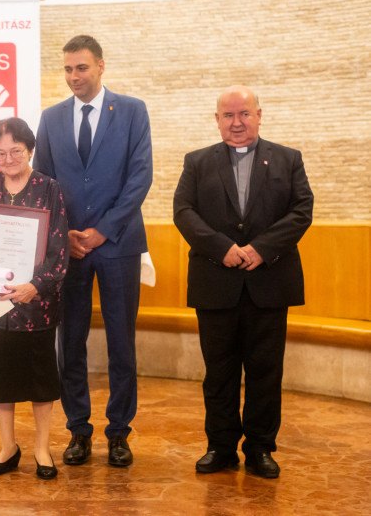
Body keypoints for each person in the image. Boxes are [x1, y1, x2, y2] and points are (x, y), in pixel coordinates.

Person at [173, 85, 313, 479]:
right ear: (217, 119)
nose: (237, 123)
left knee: (265, 372)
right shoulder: (197, 162)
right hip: (215, 282)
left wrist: (260, 249)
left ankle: (260, 448)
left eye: (244, 114)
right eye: (228, 115)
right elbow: (183, 211)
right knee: (219, 372)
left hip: (269, 282)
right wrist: (223, 248)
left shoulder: (288, 159)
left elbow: (302, 210)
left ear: (259, 115)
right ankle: (220, 447)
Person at [33, 35, 152, 467]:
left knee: (122, 342)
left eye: (81, 68)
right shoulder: (51, 118)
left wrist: (102, 231)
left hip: (118, 244)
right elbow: (43, 181)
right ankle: (78, 430)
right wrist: (63, 233)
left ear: (101, 66)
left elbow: (140, 177)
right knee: (71, 342)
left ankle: (119, 432)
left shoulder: (133, 111)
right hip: (70, 249)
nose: (74, 77)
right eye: (67, 69)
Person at [0, 117, 69, 480]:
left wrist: (36, 285)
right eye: (0, 153)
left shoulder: (49, 189)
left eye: (16, 151)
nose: (8, 159)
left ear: (30, 150)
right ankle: (8, 447)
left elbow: (59, 250)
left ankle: (42, 448)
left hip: (36, 302)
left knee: (40, 380)